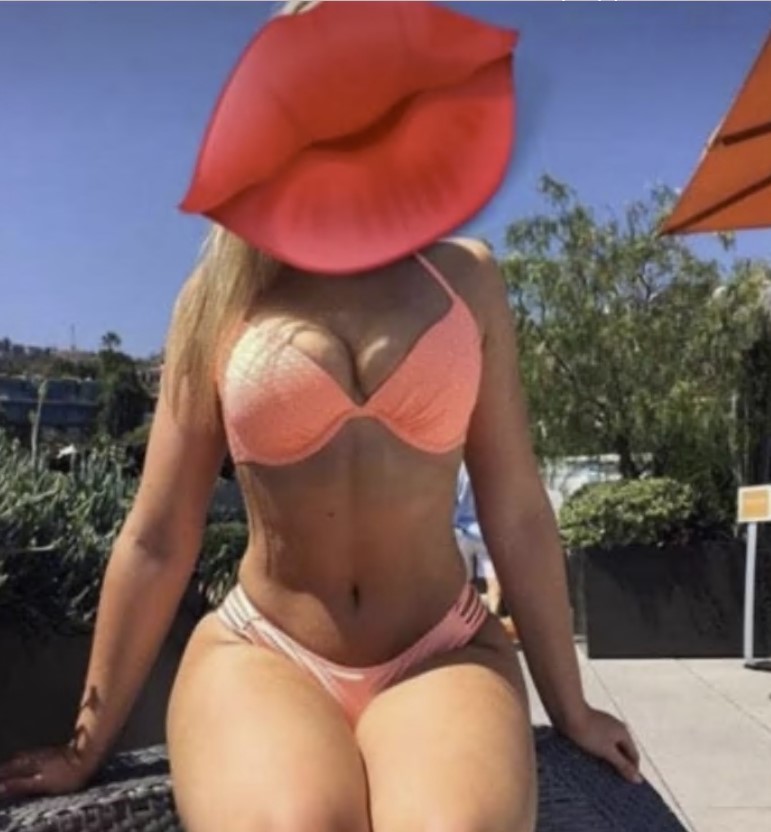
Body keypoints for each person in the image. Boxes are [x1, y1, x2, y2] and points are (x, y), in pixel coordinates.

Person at [0, 3, 641, 831]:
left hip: (441, 648)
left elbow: (514, 506)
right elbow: (157, 536)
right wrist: (83, 746)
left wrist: (571, 707)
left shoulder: (465, 279)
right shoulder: (219, 300)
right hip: (264, 649)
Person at [454, 461, 503, 614]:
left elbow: (451, 499)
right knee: (493, 582)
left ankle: (465, 618)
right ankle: (493, 615)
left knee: (461, 586)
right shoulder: (493, 466)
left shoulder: (458, 467)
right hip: (488, 533)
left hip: (462, 530)